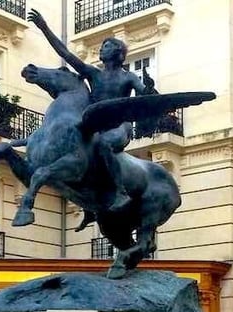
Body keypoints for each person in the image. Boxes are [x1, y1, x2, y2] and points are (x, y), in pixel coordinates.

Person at [28, 9, 152, 225]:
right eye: (102, 45)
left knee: (103, 144)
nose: (102, 49)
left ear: (118, 53)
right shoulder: (94, 74)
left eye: (107, 46)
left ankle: (121, 192)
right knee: (76, 153)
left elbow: (145, 96)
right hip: (95, 125)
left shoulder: (128, 77)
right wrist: (44, 28)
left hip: (118, 127)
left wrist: (149, 88)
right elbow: (66, 54)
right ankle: (90, 202)